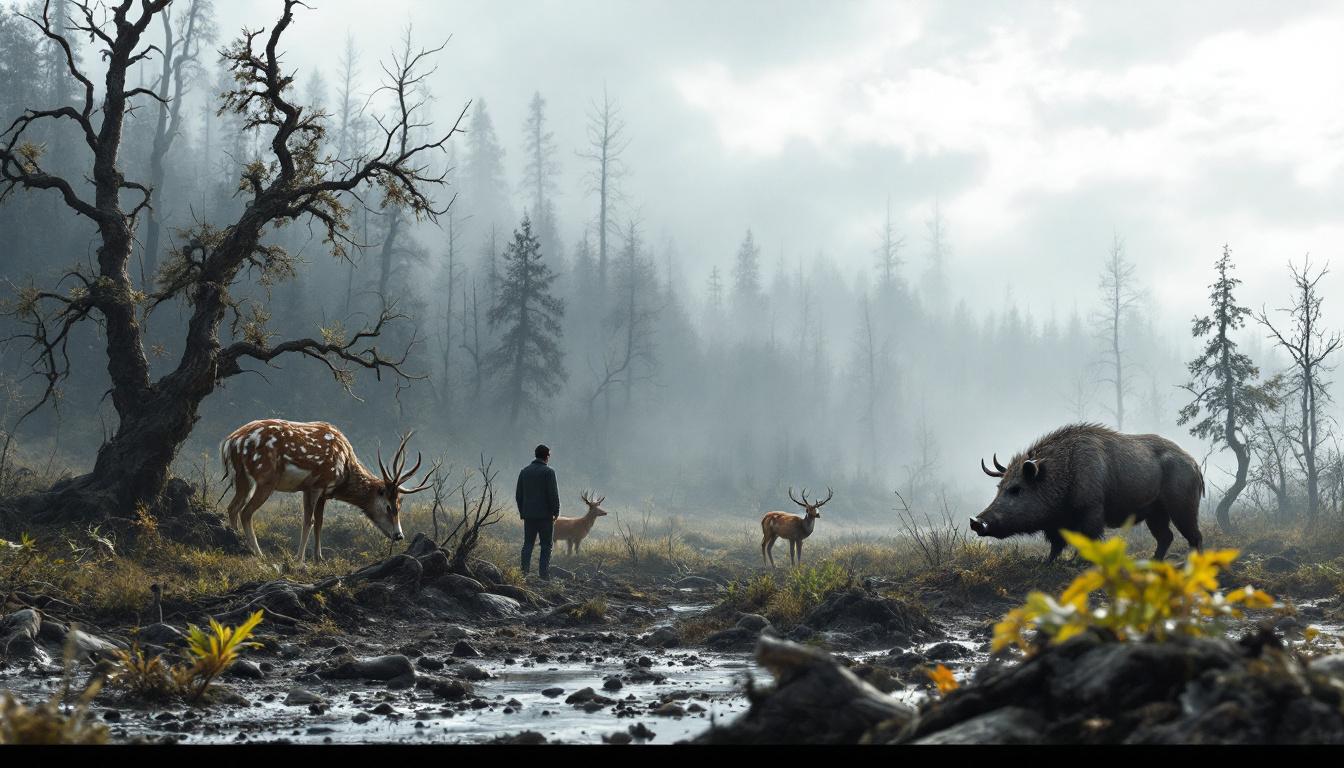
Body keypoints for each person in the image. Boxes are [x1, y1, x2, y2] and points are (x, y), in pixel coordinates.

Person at [515, 443, 560, 581]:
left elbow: (519, 495)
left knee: (528, 544)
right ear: (547, 457)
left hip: (529, 515)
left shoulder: (524, 471)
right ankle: (543, 575)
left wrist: (523, 511)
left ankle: (523, 573)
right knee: (546, 545)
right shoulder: (549, 472)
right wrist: (556, 511)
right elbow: (553, 494)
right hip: (545, 516)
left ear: (535, 455)